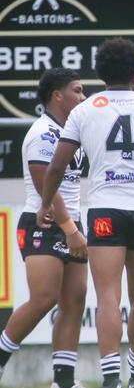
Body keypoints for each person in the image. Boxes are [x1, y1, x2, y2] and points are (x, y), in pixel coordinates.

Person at [37, 38, 134, 388]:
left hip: (105, 207)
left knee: (108, 296)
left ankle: (110, 379)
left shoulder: (84, 109)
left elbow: (57, 166)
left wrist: (46, 203)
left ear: (100, 74)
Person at [0, 69, 87, 388]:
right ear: (57, 95)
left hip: (72, 222)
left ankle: (63, 382)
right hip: (45, 222)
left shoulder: (71, 131)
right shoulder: (43, 133)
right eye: (77, 91)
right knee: (44, 298)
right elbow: (43, 187)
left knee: (75, 299)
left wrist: (74, 226)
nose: (83, 97)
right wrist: (69, 228)